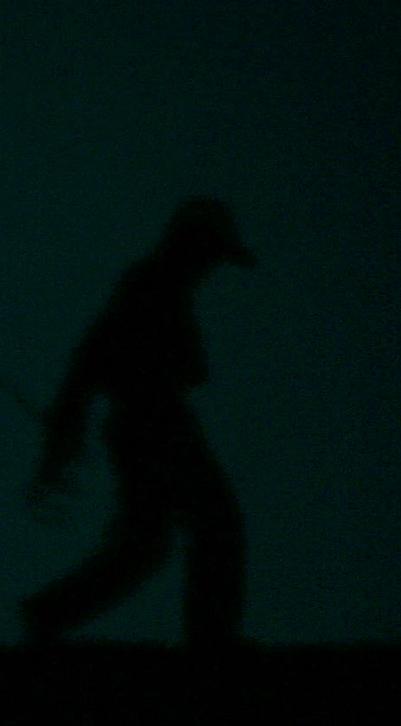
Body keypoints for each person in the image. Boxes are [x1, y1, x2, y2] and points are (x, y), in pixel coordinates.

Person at [21, 196, 256, 648]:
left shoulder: (157, 285)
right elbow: (94, 354)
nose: (212, 265)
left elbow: (93, 357)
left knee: (144, 542)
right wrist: (70, 416)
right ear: (194, 243)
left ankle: (49, 615)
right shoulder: (152, 285)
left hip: (143, 426)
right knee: (214, 523)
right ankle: (212, 641)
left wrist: (70, 418)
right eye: (212, 252)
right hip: (157, 426)